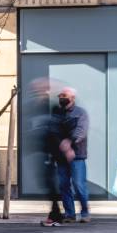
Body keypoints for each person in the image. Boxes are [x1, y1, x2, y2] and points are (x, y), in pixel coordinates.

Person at [24, 78, 65, 228]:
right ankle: (56, 214)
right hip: (40, 150)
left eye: (39, 88)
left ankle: (56, 215)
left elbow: (56, 129)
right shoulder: (34, 106)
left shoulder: (53, 106)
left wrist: (62, 146)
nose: (36, 91)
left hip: (50, 151)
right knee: (46, 183)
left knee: (50, 183)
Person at [52, 87, 90, 223]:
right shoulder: (57, 113)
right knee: (63, 185)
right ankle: (70, 214)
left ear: (72, 98)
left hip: (77, 155)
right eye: (60, 95)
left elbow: (81, 131)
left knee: (79, 184)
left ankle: (85, 212)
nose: (61, 98)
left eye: (64, 95)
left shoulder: (80, 113)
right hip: (61, 156)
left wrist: (69, 143)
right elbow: (53, 131)